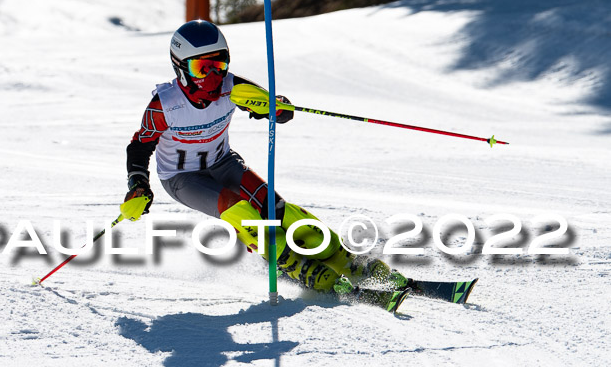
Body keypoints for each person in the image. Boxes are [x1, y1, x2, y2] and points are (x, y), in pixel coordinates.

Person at [124, 20, 409, 311]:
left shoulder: (231, 87)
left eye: (218, 65)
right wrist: (138, 185)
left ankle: (346, 261)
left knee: (280, 211)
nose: (212, 77)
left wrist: (277, 107)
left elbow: (278, 109)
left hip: (222, 162)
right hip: (182, 177)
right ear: (180, 68)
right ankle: (300, 268)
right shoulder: (165, 105)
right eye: (201, 69)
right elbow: (139, 146)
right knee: (239, 209)